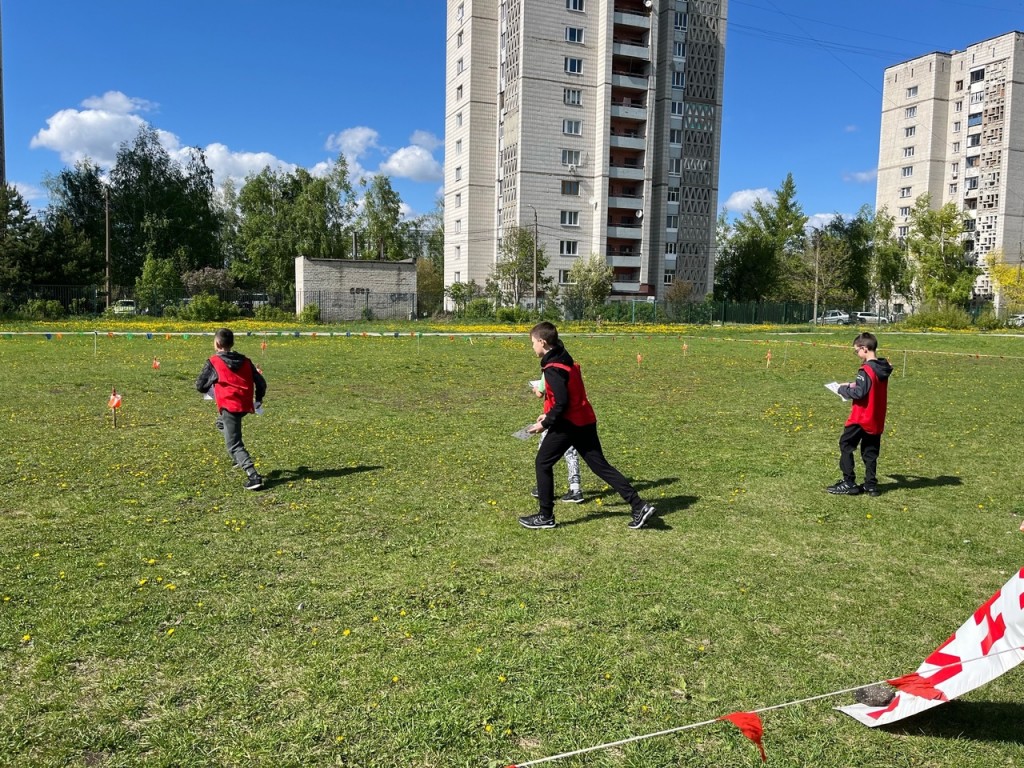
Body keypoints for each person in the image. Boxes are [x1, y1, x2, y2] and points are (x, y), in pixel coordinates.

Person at [519, 322, 656, 530]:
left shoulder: (553, 368)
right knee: (600, 465)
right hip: (584, 420)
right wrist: (548, 413)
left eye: (532, 343)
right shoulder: (564, 358)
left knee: (542, 462)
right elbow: (568, 396)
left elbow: (562, 403)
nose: (532, 347)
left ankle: (545, 516)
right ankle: (639, 505)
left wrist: (545, 423)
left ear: (542, 342)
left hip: (569, 424)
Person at [196, 328, 267, 491]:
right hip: (245, 404)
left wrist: (211, 387)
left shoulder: (214, 362)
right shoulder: (246, 361)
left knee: (234, 445)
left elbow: (200, 385)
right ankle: (238, 458)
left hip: (230, 406)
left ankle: (253, 475)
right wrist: (258, 400)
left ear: (217, 343)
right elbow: (261, 383)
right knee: (221, 424)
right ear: (232, 343)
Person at [827, 332, 892, 497]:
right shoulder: (882, 367)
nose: (856, 354)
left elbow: (860, 393)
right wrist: (851, 383)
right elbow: (870, 385)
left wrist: (841, 389)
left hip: (861, 417)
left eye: (856, 351)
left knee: (845, 445)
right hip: (876, 417)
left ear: (864, 348)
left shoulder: (866, 369)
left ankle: (849, 482)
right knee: (870, 451)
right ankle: (871, 485)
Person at [530, 379, 584, 504]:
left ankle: (543, 489)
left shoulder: (549, 371)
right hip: (571, 417)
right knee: (571, 453)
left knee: (543, 456)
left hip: (553, 416)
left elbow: (540, 393)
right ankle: (575, 489)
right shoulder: (572, 370)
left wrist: (535, 388)